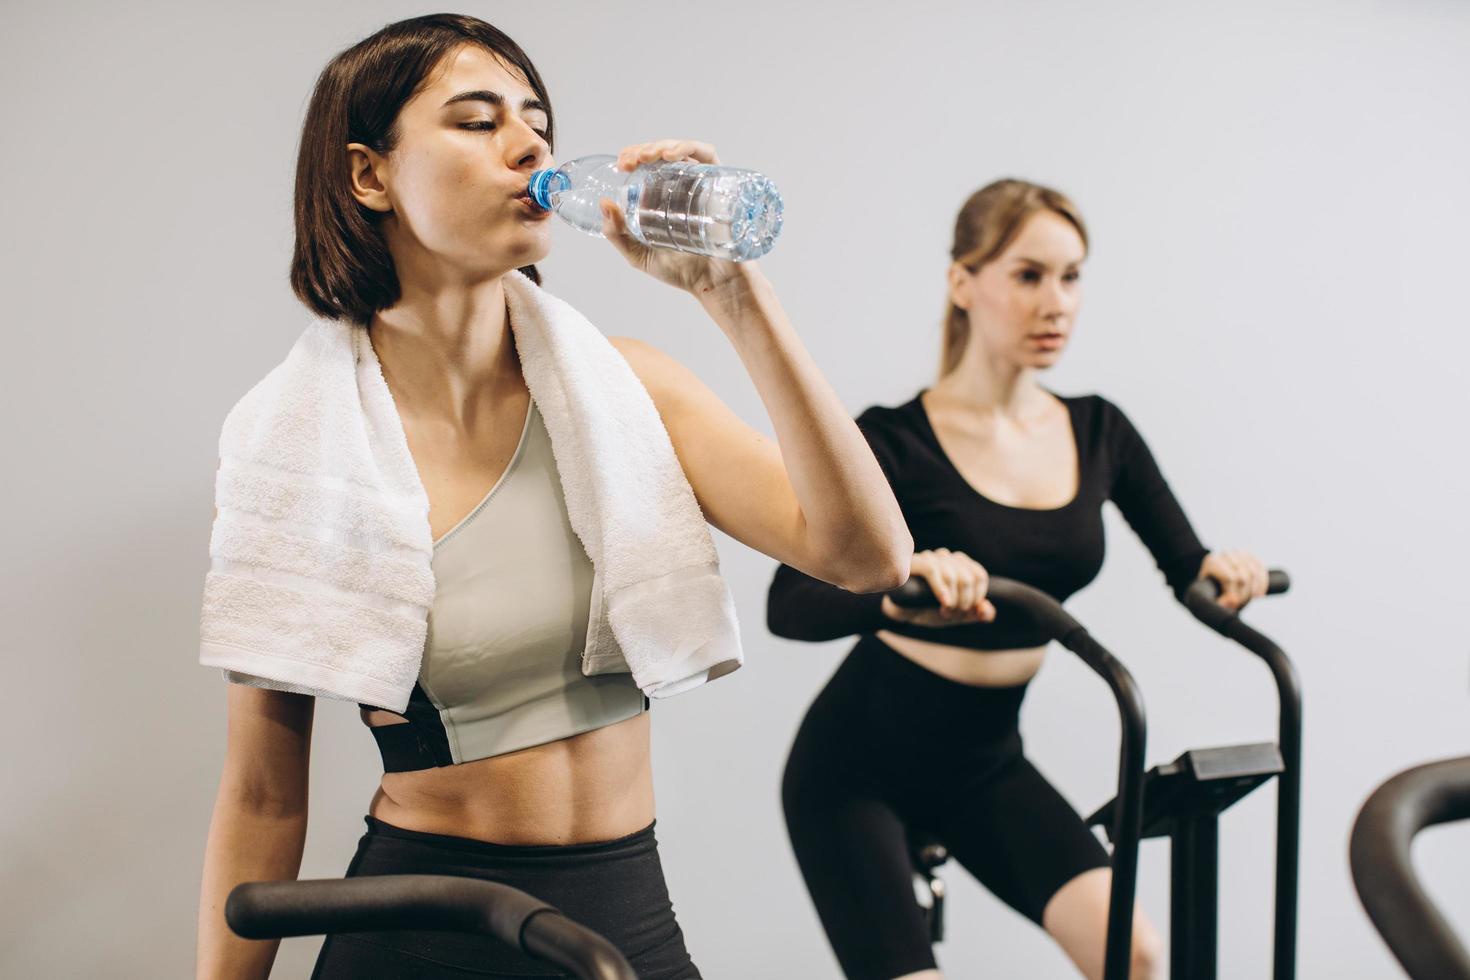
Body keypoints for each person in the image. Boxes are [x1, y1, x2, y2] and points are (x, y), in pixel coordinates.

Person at [194, 14, 910, 979]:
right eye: (478, 121)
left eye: (535, 119)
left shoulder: (626, 391)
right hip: (426, 927)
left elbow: (867, 559)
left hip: (624, 917)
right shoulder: (298, 446)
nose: (531, 145)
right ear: (370, 175)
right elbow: (263, 797)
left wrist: (731, 294)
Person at [767, 178, 1270, 980]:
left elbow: (1189, 568)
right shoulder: (893, 443)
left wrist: (1223, 572)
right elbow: (786, 605)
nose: (1057, 302)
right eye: (1029, 275)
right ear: (963, 282)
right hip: (856, 771)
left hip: (986, 763)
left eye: (1071, 278)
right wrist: (897, 584)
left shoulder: (1098, 429)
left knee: (1134, 953)